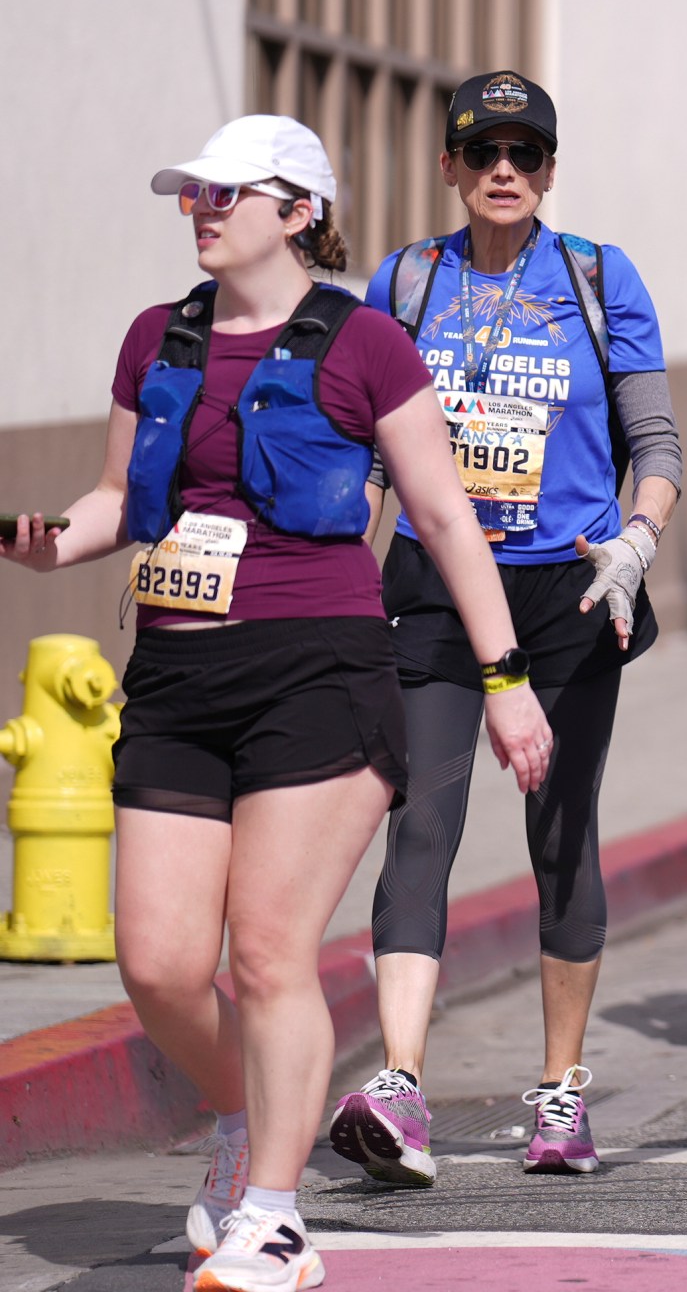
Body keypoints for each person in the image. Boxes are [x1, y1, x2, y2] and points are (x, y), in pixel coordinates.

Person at [2, 115, 551, 1291]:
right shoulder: (158, 337)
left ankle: (274, 1216)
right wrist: (43, 543)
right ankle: (250, 1117)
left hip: (322, 670)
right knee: (154, 964)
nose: (200, 208)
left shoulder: (364, 345)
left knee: (266, 953)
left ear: (298, 211)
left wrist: (506, 682)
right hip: (178, 674)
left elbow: (446, 518)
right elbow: (113, 501)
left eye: (225, 192)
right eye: (190, 194)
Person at [332, 70, 684, 1186]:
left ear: (547, 172)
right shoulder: (408, 280)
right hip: (435, 584)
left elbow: (658, 442)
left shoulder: (597, 277)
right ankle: (397, 1083)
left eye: (525, 155)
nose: (503, 172)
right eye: (482, 153)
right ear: (449, 166)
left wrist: (638, 537)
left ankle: (562, 1093)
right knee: (421, 825)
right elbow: (364, 453)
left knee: (560, 832)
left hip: (571, 589)